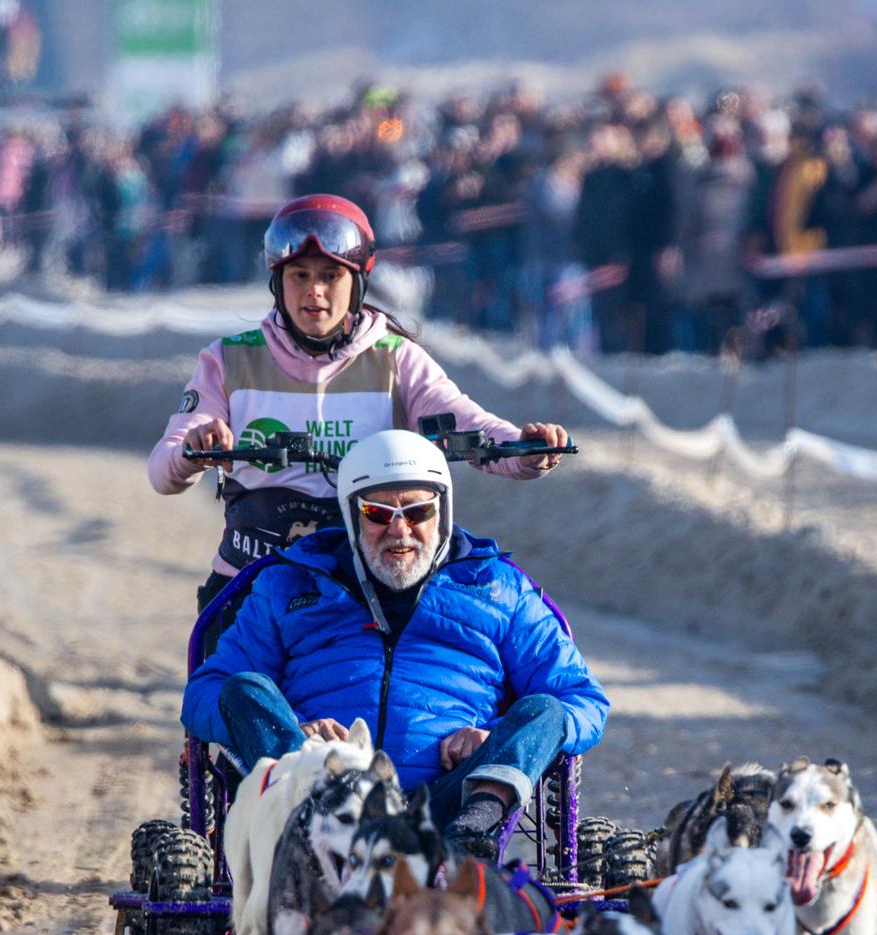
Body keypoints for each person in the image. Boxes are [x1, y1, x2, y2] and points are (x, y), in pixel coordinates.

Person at [180, 429, 609, 857]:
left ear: (442, 510)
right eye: (378, 513)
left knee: (547, 710)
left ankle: (474, 835)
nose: (400, 529)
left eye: (418, 511)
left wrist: (490, 737)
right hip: (327, 798)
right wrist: (295, 732)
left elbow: (581, 699)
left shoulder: (499, 588)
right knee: (243, 688)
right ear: (352, 515)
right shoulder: (288, 584)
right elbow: (204, 693)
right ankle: (309, 824)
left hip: (450, 804)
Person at [147, 192, 568, 620]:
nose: (314, 290)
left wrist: (526, 449)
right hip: (249, 589)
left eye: (331, 275)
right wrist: (192, 450)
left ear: (357, 283)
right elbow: (163, 471)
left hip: (364, 596)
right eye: (300, 275)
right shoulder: (227, 360)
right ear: (278, 281)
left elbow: (467, 424)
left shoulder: (397, 359)